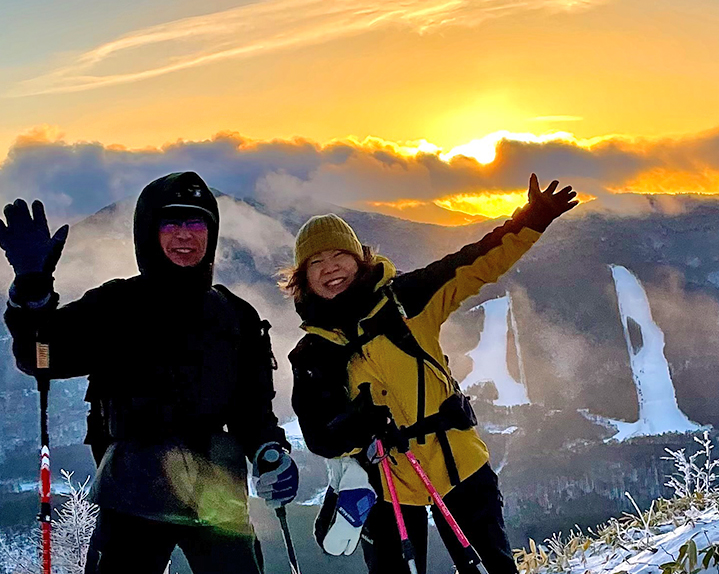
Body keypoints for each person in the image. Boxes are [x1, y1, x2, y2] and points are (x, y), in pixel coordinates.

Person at [0, 172, 299, 574]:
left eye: (196, 223)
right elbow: (41, 357)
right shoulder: (115, 306)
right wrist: (33, 293)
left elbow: (252, 409)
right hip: (132, 497)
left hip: (216, 499)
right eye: (170, 222)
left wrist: (268, 449)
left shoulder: (236, 316)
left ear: (211, 233)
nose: (184, 235)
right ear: (148, 232)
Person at [284, 173, 577, 574]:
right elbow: (320, 435)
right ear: (302, 277)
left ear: (359, 257)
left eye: (339, 256)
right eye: (315, 262)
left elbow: (474, 264)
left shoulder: (406, 300)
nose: (330, 268)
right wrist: (358, 424)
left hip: (460, 464)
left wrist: (532, 219)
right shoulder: (312, 352)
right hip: (386, 486)